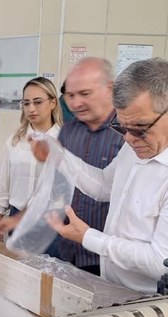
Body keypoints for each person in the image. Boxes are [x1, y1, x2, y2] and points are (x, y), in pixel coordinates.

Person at [35, 58, 168, 293]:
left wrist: (88, 237)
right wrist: (61, 156)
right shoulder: (139, 142)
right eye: (122, 127)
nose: (128, 139)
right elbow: (105, 186)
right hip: (114, 286)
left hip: (156, 302)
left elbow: (163, 262)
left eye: (139, 128)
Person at [54, 58, 124, 275]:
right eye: (70, 95)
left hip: (107, 258)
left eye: (85, 94)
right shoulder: (68, 131)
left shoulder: (129, 136)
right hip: (68, 250)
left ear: (109, 89)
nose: (75, 103)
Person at [0, 77, 62, 240]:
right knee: (18, 264)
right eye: (26, 103)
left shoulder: (65, 141)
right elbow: (3, 182)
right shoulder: (15, 141)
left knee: (51, 265)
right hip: (17, 218)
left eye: (38, 102)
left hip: (52, 221)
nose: (31, 108)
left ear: (53, 103)